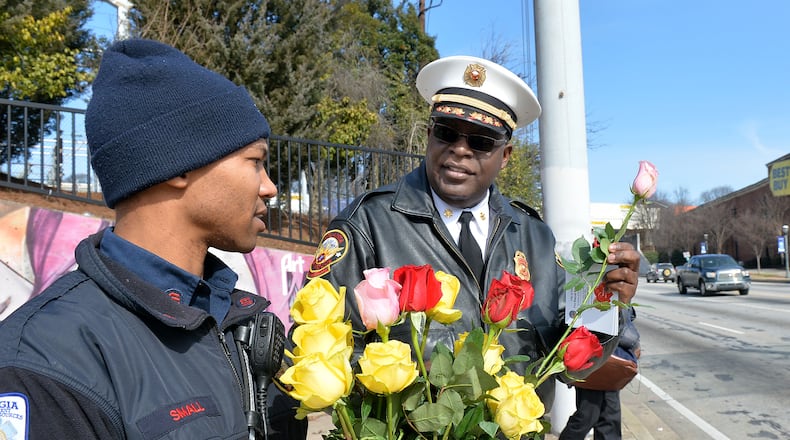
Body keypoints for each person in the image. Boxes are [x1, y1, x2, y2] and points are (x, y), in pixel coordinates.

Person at [0, 39, 305, 439]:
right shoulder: (45, 358)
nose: (270, 188)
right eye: (255, 161)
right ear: (178, 165)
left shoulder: (238, 324)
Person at [306, 55, 641, 406]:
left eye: (481, 141)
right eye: (447, 133)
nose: (460, 150)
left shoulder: (534, 236)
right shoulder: (368, 224)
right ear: (429, 135)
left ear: (506, 154)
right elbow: (319, 350)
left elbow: (573, 361)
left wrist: (608, 303)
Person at [560, 308, 641, 440]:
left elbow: (627, 314)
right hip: (591, 351)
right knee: (588, 414)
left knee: (608, 415)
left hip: (607, 357)